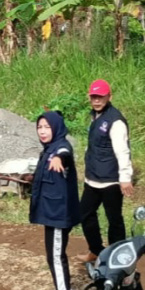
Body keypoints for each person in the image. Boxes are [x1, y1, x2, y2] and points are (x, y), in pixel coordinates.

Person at [77, 80, 134, 263]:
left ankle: (117, 259)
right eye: (93, 96)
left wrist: (125, 178)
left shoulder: (116, 121)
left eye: (100, 96)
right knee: (85, 214)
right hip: (92, 178)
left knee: (114, 220)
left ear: (109, 97)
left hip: (110, 181)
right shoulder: (94, 115)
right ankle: (96, 250)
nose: (96, 100)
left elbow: (122, 151)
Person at [30, 111, 80, 290]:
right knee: (53, 256)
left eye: (47, 127)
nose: (42, 131)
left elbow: (64, 154)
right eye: (39, 127)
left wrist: (60, 158)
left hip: (58, 214)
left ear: (56, 128)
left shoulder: (61, 147)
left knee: (56, 257)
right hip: (50, 213)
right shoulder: (48, 149)